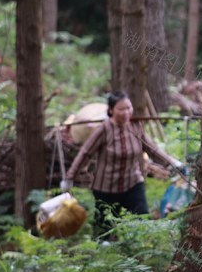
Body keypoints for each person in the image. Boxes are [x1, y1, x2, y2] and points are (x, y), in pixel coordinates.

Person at [61, 91, 185, 236]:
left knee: (141, 220)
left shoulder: (135, 126)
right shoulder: (103, 130)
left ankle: (138, 251)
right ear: (111, 110)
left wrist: (172, 163)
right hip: (106, 188)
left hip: (133, 183)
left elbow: (152, 149)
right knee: (105, 230)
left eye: (128, 108)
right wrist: (69, 177)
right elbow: (85, 154)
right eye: (121, 109)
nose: (126, 112)